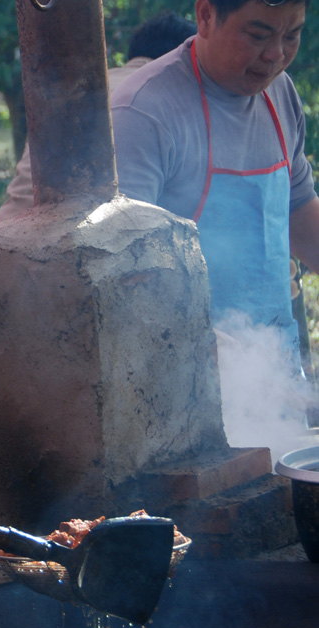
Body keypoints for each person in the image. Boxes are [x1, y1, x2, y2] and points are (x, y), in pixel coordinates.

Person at [111, 0, 319, 449]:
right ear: (205, 15)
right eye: (259, 35)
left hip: (272, 376)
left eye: (292, 35)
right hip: (182, 401)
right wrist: (227, 357)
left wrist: (263, 373)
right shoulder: (144, 111)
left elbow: (300, 210)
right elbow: (125, 280)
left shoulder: (279, 93)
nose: (276, 56)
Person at [0, 13, 197, 221]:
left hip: (5, 231)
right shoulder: (163, 98)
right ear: (178, 60)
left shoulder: (87, 83)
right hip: (69, 244)